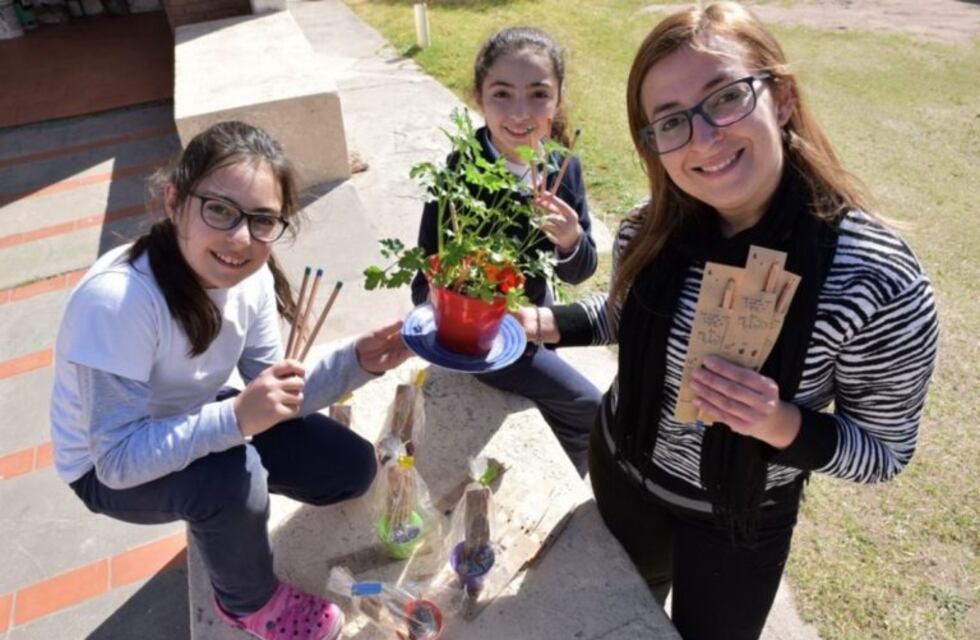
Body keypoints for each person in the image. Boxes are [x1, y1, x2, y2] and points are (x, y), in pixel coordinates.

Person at [518, 3, 939, 638]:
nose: (705, 138)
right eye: (672, 121)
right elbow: (623, 317)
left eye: (727, 97)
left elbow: (884, 450)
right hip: (620, 476)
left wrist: (781, 423)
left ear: (784, 98)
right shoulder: (647, 226)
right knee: (610, 621)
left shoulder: (876, 280)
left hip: (739, 526)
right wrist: (544, 323)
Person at [49, 122, 411, 640]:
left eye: (263, 220)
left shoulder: (252, 277)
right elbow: (116, 460)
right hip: (104, 463)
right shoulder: (118, 302)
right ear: (175, 200)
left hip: (191, 412)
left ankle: (220, 517)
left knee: (350, 469)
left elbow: (274, 391)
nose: (240, 239)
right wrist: (237, 419)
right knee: (229, 481)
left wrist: (359, 361)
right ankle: (249, 603)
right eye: (219, 210)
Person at [411, 26, 602, 476]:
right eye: (502, 94)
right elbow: (425, 278)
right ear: (479, 97)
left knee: (559, 401)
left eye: (538, 94)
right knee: (593, 407)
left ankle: (569, 468)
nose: (520, 113)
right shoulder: (462, 169)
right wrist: (455, 320)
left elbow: (579, 273)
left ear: (557, 99)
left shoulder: (562, 167)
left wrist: (570, 240)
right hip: (484, 339)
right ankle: (580, 477)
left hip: (539, 315)